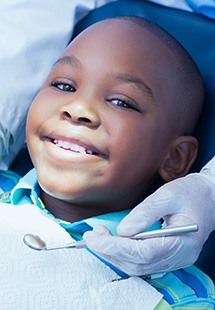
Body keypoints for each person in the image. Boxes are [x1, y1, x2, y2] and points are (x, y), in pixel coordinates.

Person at [0, 16, 214, 308]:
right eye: (63, 85)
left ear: (175, 158)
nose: (78, 109)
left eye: (122, 102)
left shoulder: (180, 297)